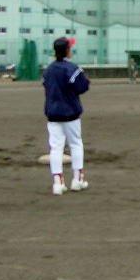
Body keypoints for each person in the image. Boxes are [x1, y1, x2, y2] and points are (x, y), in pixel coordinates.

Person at [42, 37, 90, 195]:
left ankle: (57, 183)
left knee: (56, 148)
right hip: (70, 114)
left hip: (53, 114)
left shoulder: (48, 70)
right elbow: (82, 87)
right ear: (67, 50)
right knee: (76, 144)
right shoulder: (72, 68)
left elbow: (46, 85)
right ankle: (77, 180)